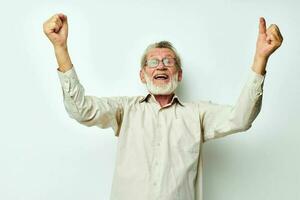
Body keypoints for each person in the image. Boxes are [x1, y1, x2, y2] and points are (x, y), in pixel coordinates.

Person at [43, 13, 283, 200]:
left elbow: (241, 118)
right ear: (142, 75)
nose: (161, 67)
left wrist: (261, 59)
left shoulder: (197, 114)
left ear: (178, 75)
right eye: (153, 62)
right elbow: (80, 109)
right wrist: (60, 48)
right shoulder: (125, 110)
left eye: (168, 62)